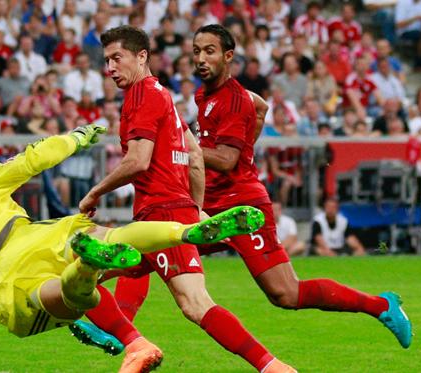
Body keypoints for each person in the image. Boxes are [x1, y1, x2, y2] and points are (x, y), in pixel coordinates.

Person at [85, 25, 413, 370]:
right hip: (205, 204)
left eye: (209, 51)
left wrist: (177, 148)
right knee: (147, 251)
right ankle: (122, 334)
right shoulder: (204, 96)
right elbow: (261, 105)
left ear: (229, 56)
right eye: (196, 51)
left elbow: (226, 159)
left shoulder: (230, 97)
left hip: (241, 206)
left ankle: (380, 306)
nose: (200, 59)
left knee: (285, 294)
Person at [0, 104, 263, 352]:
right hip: (34, 241)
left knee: (70, 292)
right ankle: (185, 232)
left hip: (7, 286)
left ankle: (90, 271)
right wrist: (78, 137)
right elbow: (32, 159)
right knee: (109, 236)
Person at [77, 25, 295, 373]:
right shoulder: (165, 97)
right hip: (170, 213)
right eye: (106, 61)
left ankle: (269, 366)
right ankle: (126, 339)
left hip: (159, 213)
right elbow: (194, 158)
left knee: (192, 303)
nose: (111, 68)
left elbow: (138, 161)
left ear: (142, 56)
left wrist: (92, 193)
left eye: (117, 58)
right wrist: (194, 211)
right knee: (101, 268)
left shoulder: (139, 96)